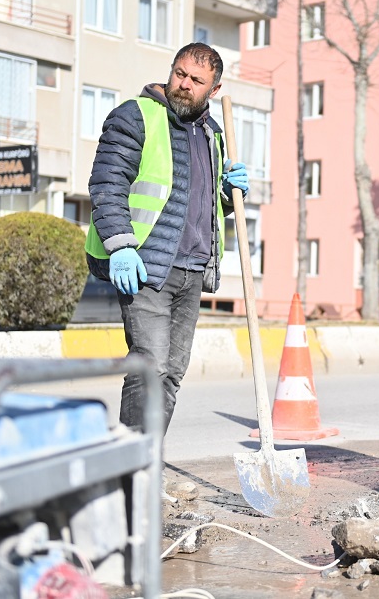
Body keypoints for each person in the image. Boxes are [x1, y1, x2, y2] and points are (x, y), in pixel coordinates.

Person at [85, 43, 248, 480]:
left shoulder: (212, 135)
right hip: (145, 267)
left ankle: (144, 466)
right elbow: (107, 182)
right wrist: (120, 245)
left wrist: (229, 196)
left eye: (196, 80)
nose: (184, 84)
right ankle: (129, 477)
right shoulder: (135, 115)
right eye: (180, 73)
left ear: (214, 88)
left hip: (192, 271)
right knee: (149, 368)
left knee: (171, 375)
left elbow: (199, 206)